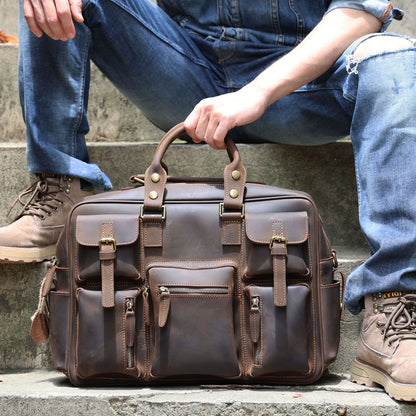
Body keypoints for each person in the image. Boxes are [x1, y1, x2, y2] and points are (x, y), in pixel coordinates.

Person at [2, 0, 416, 401]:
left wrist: (257, 92)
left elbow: (360, 13)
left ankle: (392, 305)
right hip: (187, 75)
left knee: (392, 55)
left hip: (307, 82)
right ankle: (59, 184)